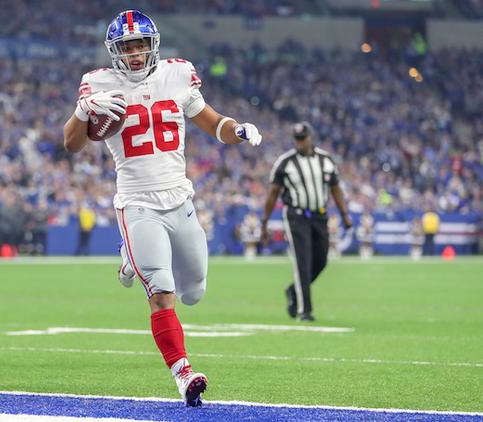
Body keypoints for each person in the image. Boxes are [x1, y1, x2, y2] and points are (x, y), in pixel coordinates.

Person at [63, 10, 262, 407]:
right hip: (137, 201)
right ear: (114, 51)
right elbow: (71, 144)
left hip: (179, 198)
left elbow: (213, 123)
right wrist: (83, 112)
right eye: (126, 47)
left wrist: (237, 130)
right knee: (162, 289)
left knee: (194, 291)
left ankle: (128, 259)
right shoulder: (97, 83)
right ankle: (183, 372)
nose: (134, 54)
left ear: (152, 46)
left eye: (140, 45)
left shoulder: (177, 73)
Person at [261, 122, 351, 321]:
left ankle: (294, 290)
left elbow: (336, 188)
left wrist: (344, 214)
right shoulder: (285, 162)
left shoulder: (325, 159)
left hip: (320, 215)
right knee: (302, 260)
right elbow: (273, 193)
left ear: (311, 137)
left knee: (321, 260)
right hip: (296, 215)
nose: (300, 143)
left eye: (303, 139)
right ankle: (305, 311)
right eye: (297, 140)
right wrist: (265, 221)